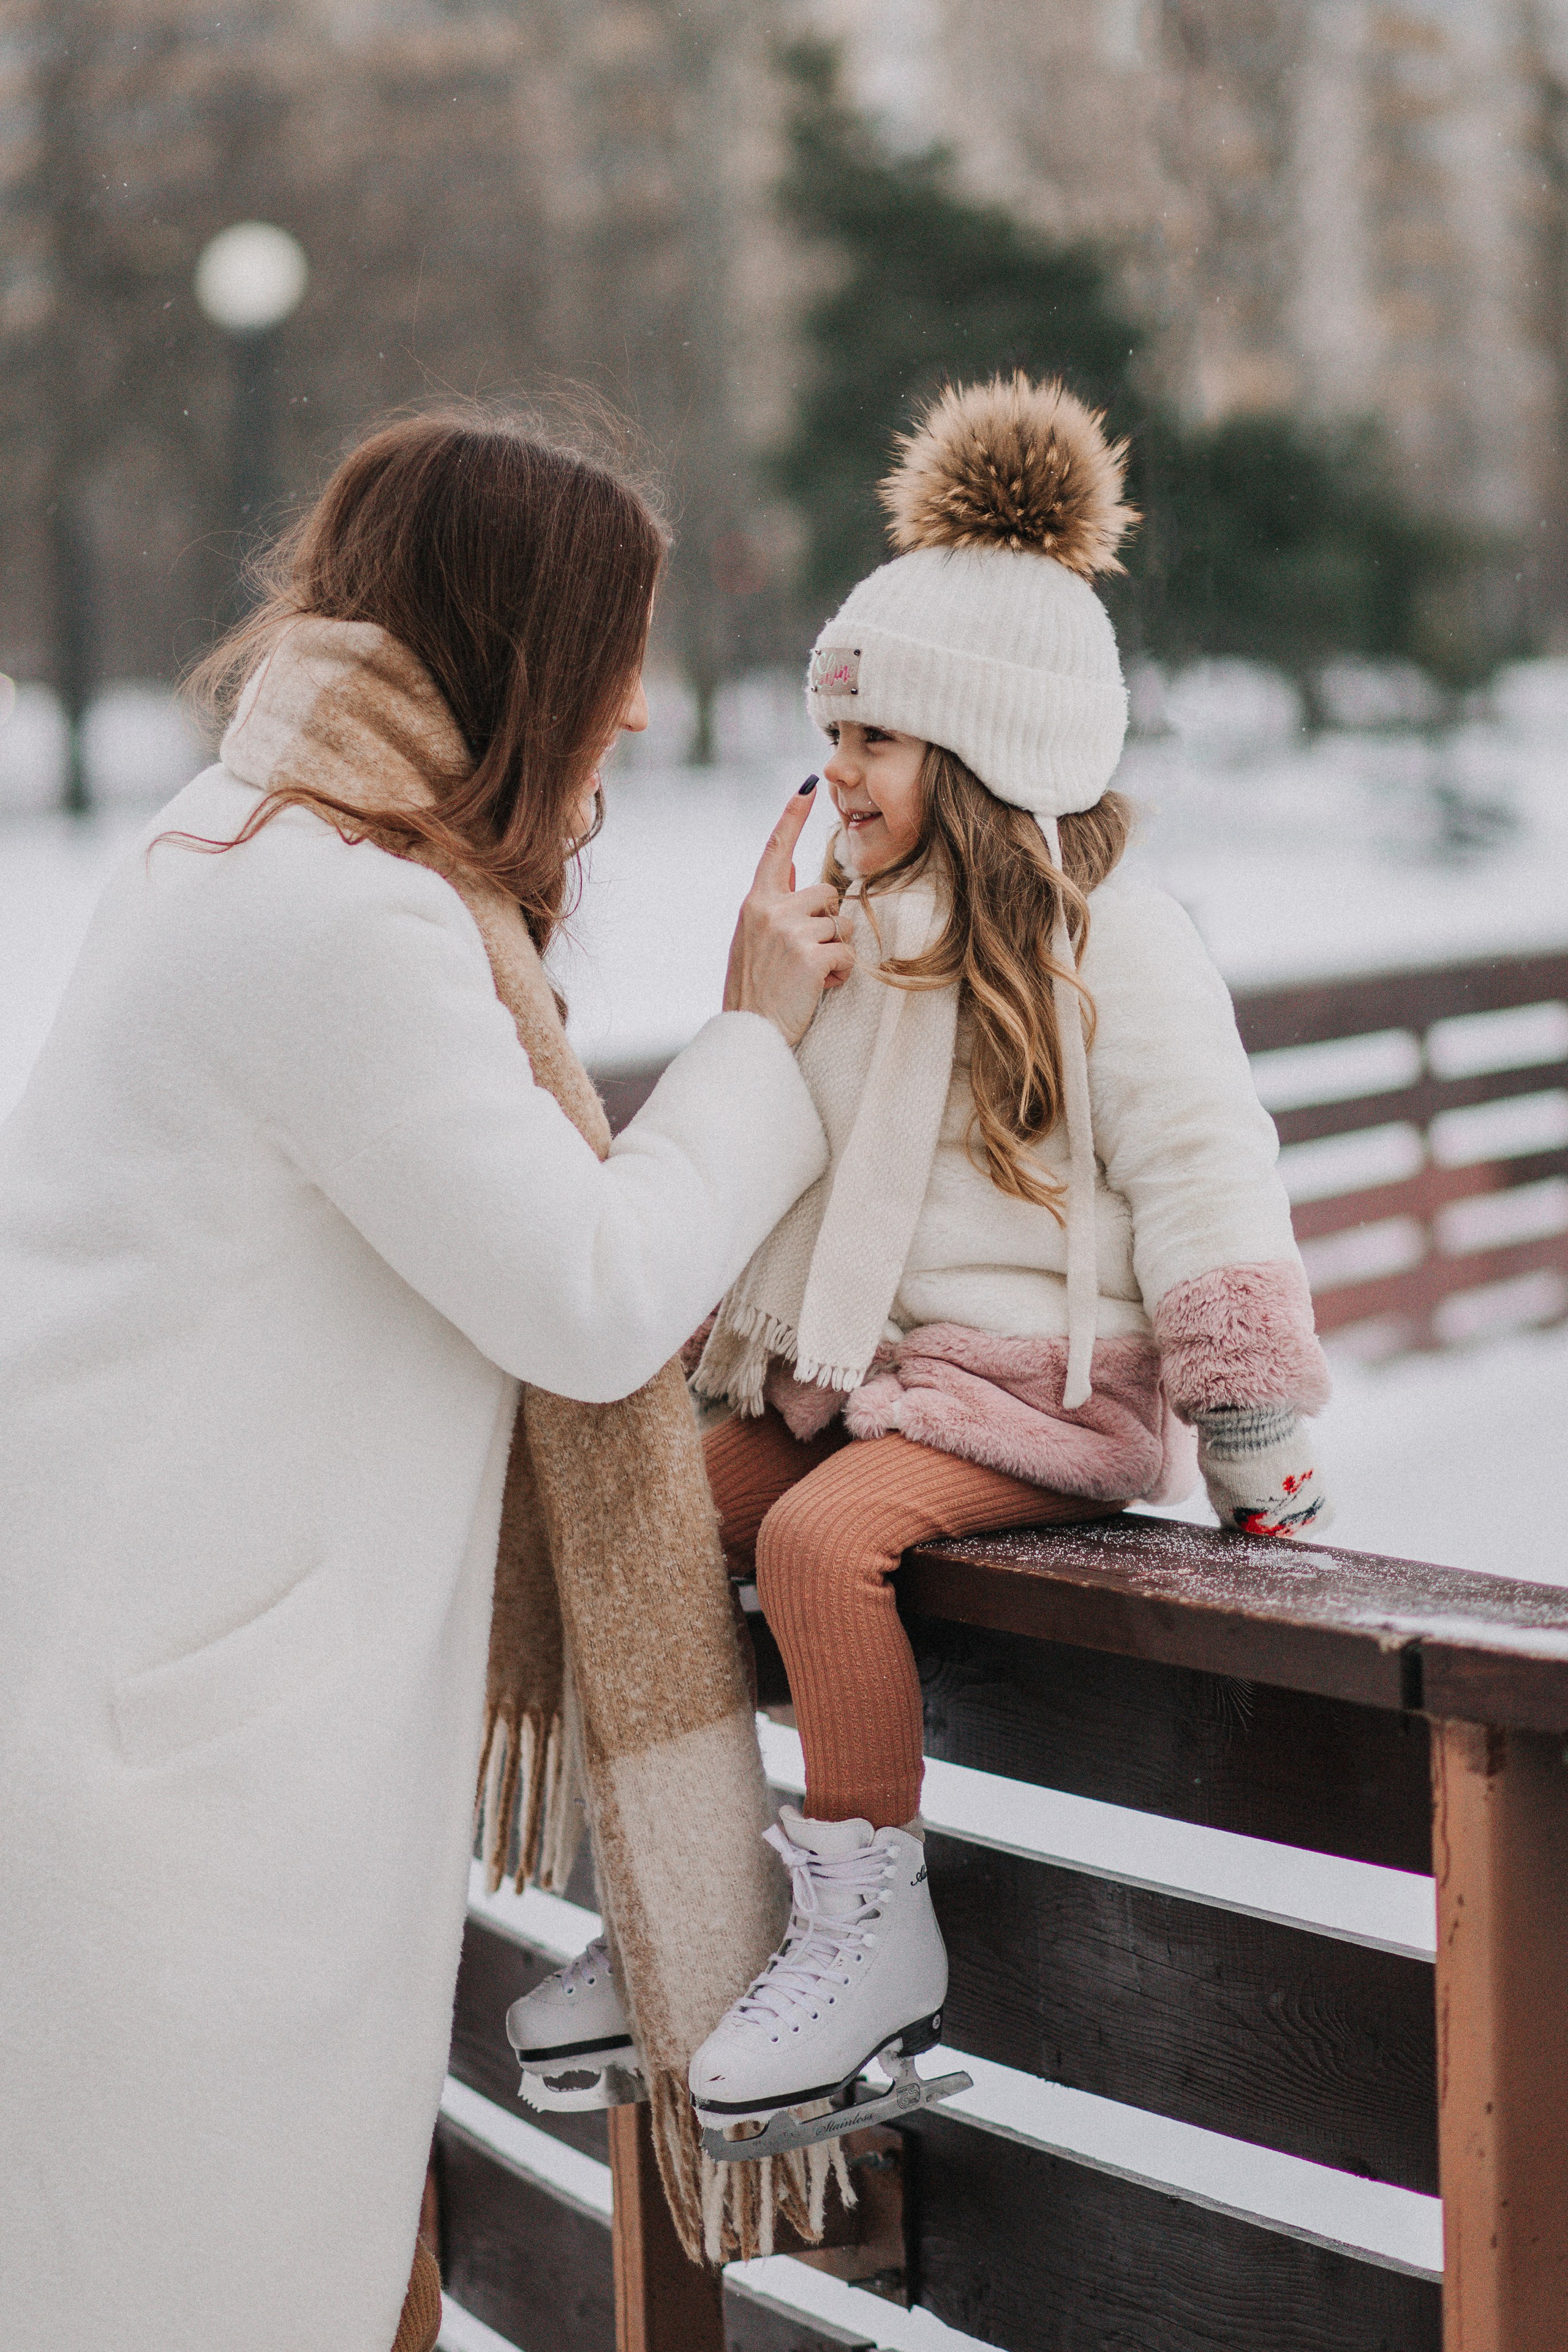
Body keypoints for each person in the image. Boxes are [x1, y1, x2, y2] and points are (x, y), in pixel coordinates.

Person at [0, 411, 854, 2352]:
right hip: (181, 1811)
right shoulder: (341, 922)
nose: (637, 711)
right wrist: (755, 1038)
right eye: (614, 653)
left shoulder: (236, 848)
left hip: (126, 1727)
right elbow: (592, 1292)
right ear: (522, 657)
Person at [510, 375, 1334, 2165]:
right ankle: (688, 1908)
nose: (838, 773)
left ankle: (870, 1931)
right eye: (830, 735)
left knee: (820, 1543)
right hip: (862, 1381)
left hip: (1046, 1398)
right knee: (650, 1521)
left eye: (874, 739)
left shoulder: (1113, 944)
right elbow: (770, 1170)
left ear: (984, 751)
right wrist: (761, 1004)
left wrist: (1256, 1429)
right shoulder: (855, 938)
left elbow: (1209, 1173)